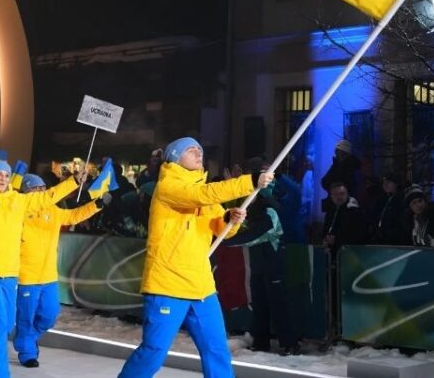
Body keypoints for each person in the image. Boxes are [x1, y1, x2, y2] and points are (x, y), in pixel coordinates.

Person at [118, 137, 272, 378]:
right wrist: (250, 181)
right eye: (191, 151)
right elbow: (199, 195)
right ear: (175, 158)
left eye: (199, 150)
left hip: (201, 287)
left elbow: (219, 228)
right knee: (154, 351)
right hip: (167, 285)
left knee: (217, 350)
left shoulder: (202, 190)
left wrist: (229, 219)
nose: (198, 154)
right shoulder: (169, 187)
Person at [0, 133, 81, 378]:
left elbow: (47, 197)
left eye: (5, 174)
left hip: (9, 273)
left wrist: (74, 181)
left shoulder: (19, 200)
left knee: (7, 324)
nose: (2, 178)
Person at [14, 173, 102, 368]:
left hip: (48, 276)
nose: (41, 192)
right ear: (26, 192)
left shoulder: (52, 211)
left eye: (42, 188)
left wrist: (97, 205)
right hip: (26, 276)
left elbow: (72, 216)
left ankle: (25, 339)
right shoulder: (18, 210)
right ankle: (27, 351)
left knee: (49, 316)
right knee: (25, 317)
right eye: (35, 188)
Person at [224, 157, 299, 356]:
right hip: (258, 262)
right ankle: (261, 341)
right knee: (259, 303)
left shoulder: (270, 206)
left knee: (278, 302)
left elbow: (255, 235)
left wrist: (225, 242)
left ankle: (290, 343)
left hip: (273, 261)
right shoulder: (252, 205)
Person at [321, 181, 366, 250]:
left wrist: (336, 240)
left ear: (347, 195)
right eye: (335, 194)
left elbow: (358, 236)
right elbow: (325, 230)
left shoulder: (355, 212)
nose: (339, 197)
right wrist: (326, 239)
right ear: (331, 196)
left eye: (342, 194)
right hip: (331, 251)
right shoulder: (330, 211)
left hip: (349, 252)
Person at [320, 140, 360, 211]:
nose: (337, 154)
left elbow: (352, 186)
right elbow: (324, 181)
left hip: (344, 206)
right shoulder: (337, 165)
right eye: (337, 151)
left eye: (339, 152)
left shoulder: (350, 167)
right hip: (335, 204)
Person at [367, 173, 406, 245]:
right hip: (380, 239)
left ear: (396, 184)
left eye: (388, 182)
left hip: (394, 241)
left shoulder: (401, 200)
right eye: (384, 182)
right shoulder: (381, 199)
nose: (385, 185)